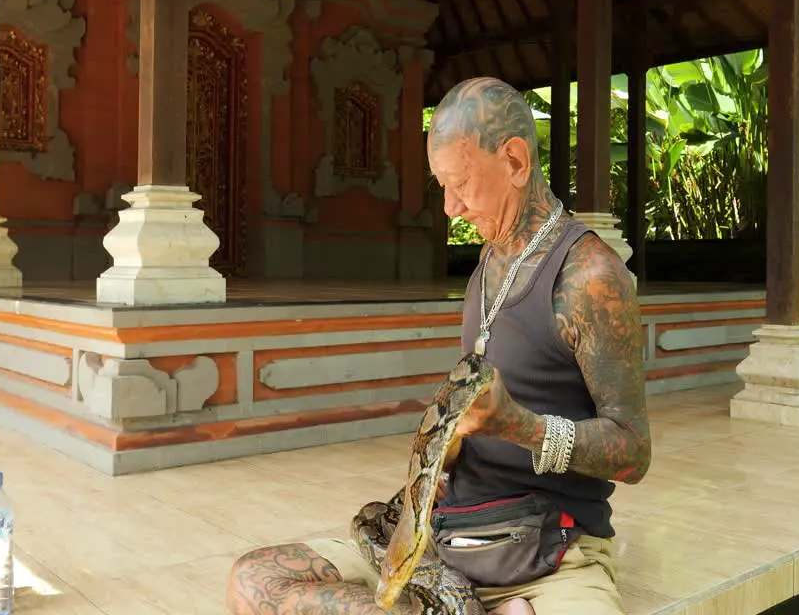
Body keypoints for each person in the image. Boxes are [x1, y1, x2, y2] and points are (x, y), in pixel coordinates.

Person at [226, 77, 651, 615]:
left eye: (461, 183)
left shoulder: (591, 276)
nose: (450, 207)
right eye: (441, 185)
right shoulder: (488, 264)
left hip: (548, 553)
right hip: (443, 540)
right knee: (255, 580)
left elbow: (634, 451)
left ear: (515, 162)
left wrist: (519, 426)